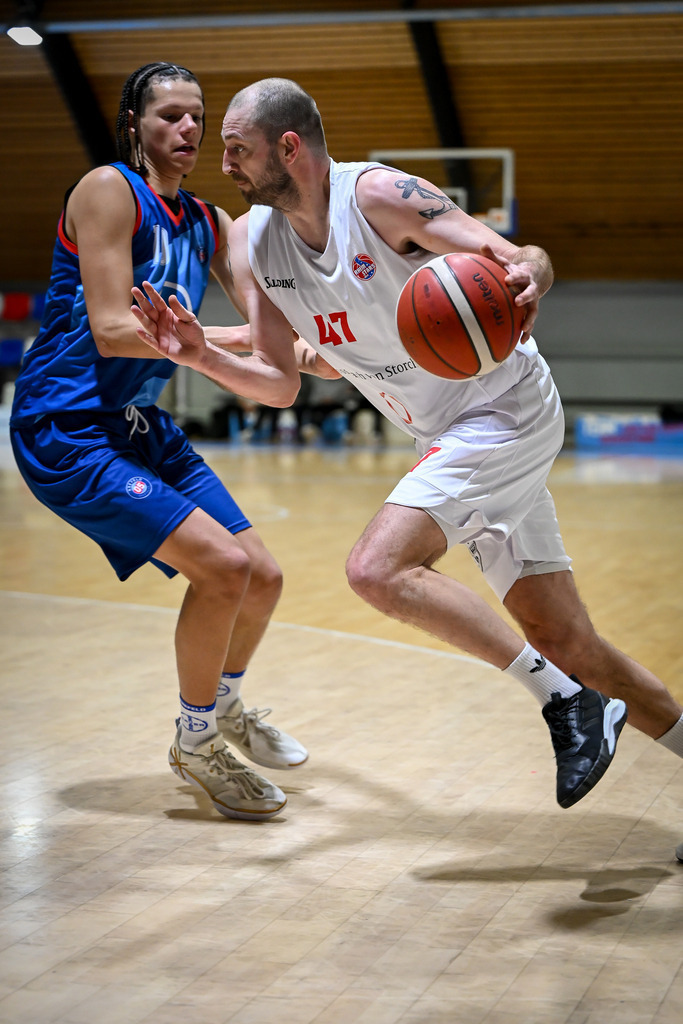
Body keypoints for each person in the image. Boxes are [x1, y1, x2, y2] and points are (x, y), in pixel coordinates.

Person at [131, 78, 683, 817]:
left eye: (236, 148)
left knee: (375, 568)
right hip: (445, 434)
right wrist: (199, 354)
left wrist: (533, 272)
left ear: (287, 147)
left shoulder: (380, 195)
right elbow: (282, 377)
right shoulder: (256, 242)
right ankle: (592, 697)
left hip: (503, 408)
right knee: (567, 638)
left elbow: (517, 255)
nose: (222, 162)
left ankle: (565, 706)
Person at [9, 65, 335, 823]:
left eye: (198, 117)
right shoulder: (107, 190)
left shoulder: (209, 220)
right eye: (170, 116)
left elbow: (266, 324)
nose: (188, 130)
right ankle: (194, 742)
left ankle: (221, 708)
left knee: (263, 574)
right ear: (134, 123)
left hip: (136, 427)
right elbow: (115, 328)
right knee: (221, 569)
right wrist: (214, 341)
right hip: (67, 427)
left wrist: (323, 345)